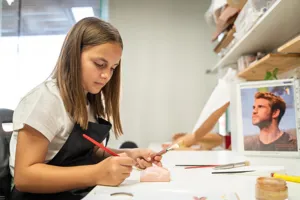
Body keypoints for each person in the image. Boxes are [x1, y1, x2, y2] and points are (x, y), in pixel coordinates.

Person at [9, 17, 162, 200]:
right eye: (99, 64)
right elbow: (25, 177)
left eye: (113, 68)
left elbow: (84, 152)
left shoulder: (88, 100)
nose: (106, 75)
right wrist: (96, 174)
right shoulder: (46, 99)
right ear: (74, 55)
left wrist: (127, 154)